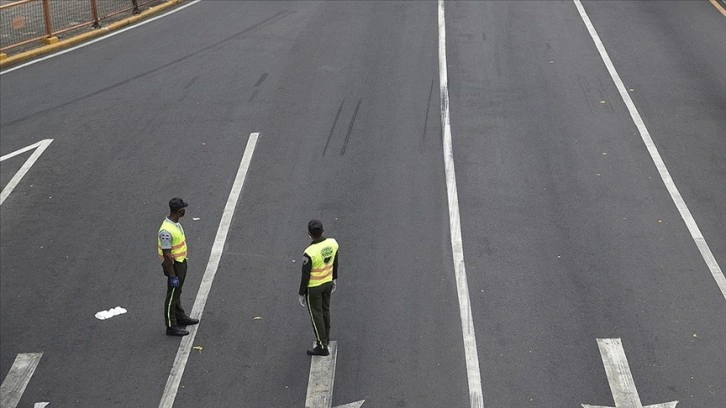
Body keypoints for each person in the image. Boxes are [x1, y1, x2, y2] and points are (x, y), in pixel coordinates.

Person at [158, 197, 199, 336]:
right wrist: (172, 275)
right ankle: (171, 325)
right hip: (174, 265)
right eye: (184, 209)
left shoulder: (175, 224)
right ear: (180, 211)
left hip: (180, 261)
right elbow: (167, 256)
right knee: (172, 295)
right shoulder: (166, 231)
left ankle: (180, 316)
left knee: (177, 292)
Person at [298, 219, 339, 356]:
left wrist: (301, 293)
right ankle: (326, 337)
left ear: (309, 234)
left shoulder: (309, 252)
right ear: (323, 231)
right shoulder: (333, 244)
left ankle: (322, 346)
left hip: (314, 288)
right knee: (325, 310)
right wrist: (334, 279)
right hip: (327, 283)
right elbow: (335, 263)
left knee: (316, 316)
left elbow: (305, 275)